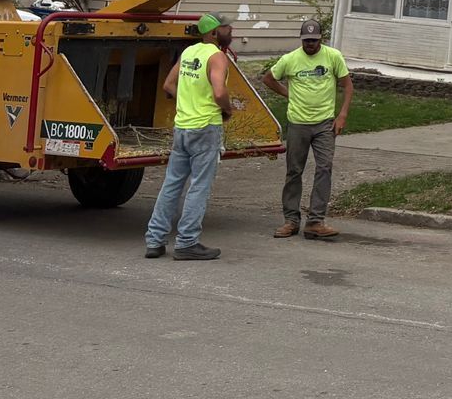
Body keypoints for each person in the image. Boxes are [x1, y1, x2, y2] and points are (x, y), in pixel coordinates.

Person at [144, 13, 241, 261]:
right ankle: (187, 242)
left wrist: (188, 102)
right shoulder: (216, 56)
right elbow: (219, 92)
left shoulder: (188, 52)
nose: (230, 31)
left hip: (183, 127)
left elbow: (168, 85)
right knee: (199, 186)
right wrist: (227, 110)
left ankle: (155, 240)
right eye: (225, 28)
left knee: (172, 184)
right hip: (205, 127)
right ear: (212, 33)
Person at [262, 21, 352, 241]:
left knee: (324, 167)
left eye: (314, 40)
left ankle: (315, 221)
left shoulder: (333, 57)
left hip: (324, 124)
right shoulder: (290, 59)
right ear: (301, 40)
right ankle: (291, 220)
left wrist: (342, 115)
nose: (310, 44)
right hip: (298, 123)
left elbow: (347, 86)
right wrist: (287, 94)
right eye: (306, 41)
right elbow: (268, 78)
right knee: (294, 171)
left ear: (321, 39)